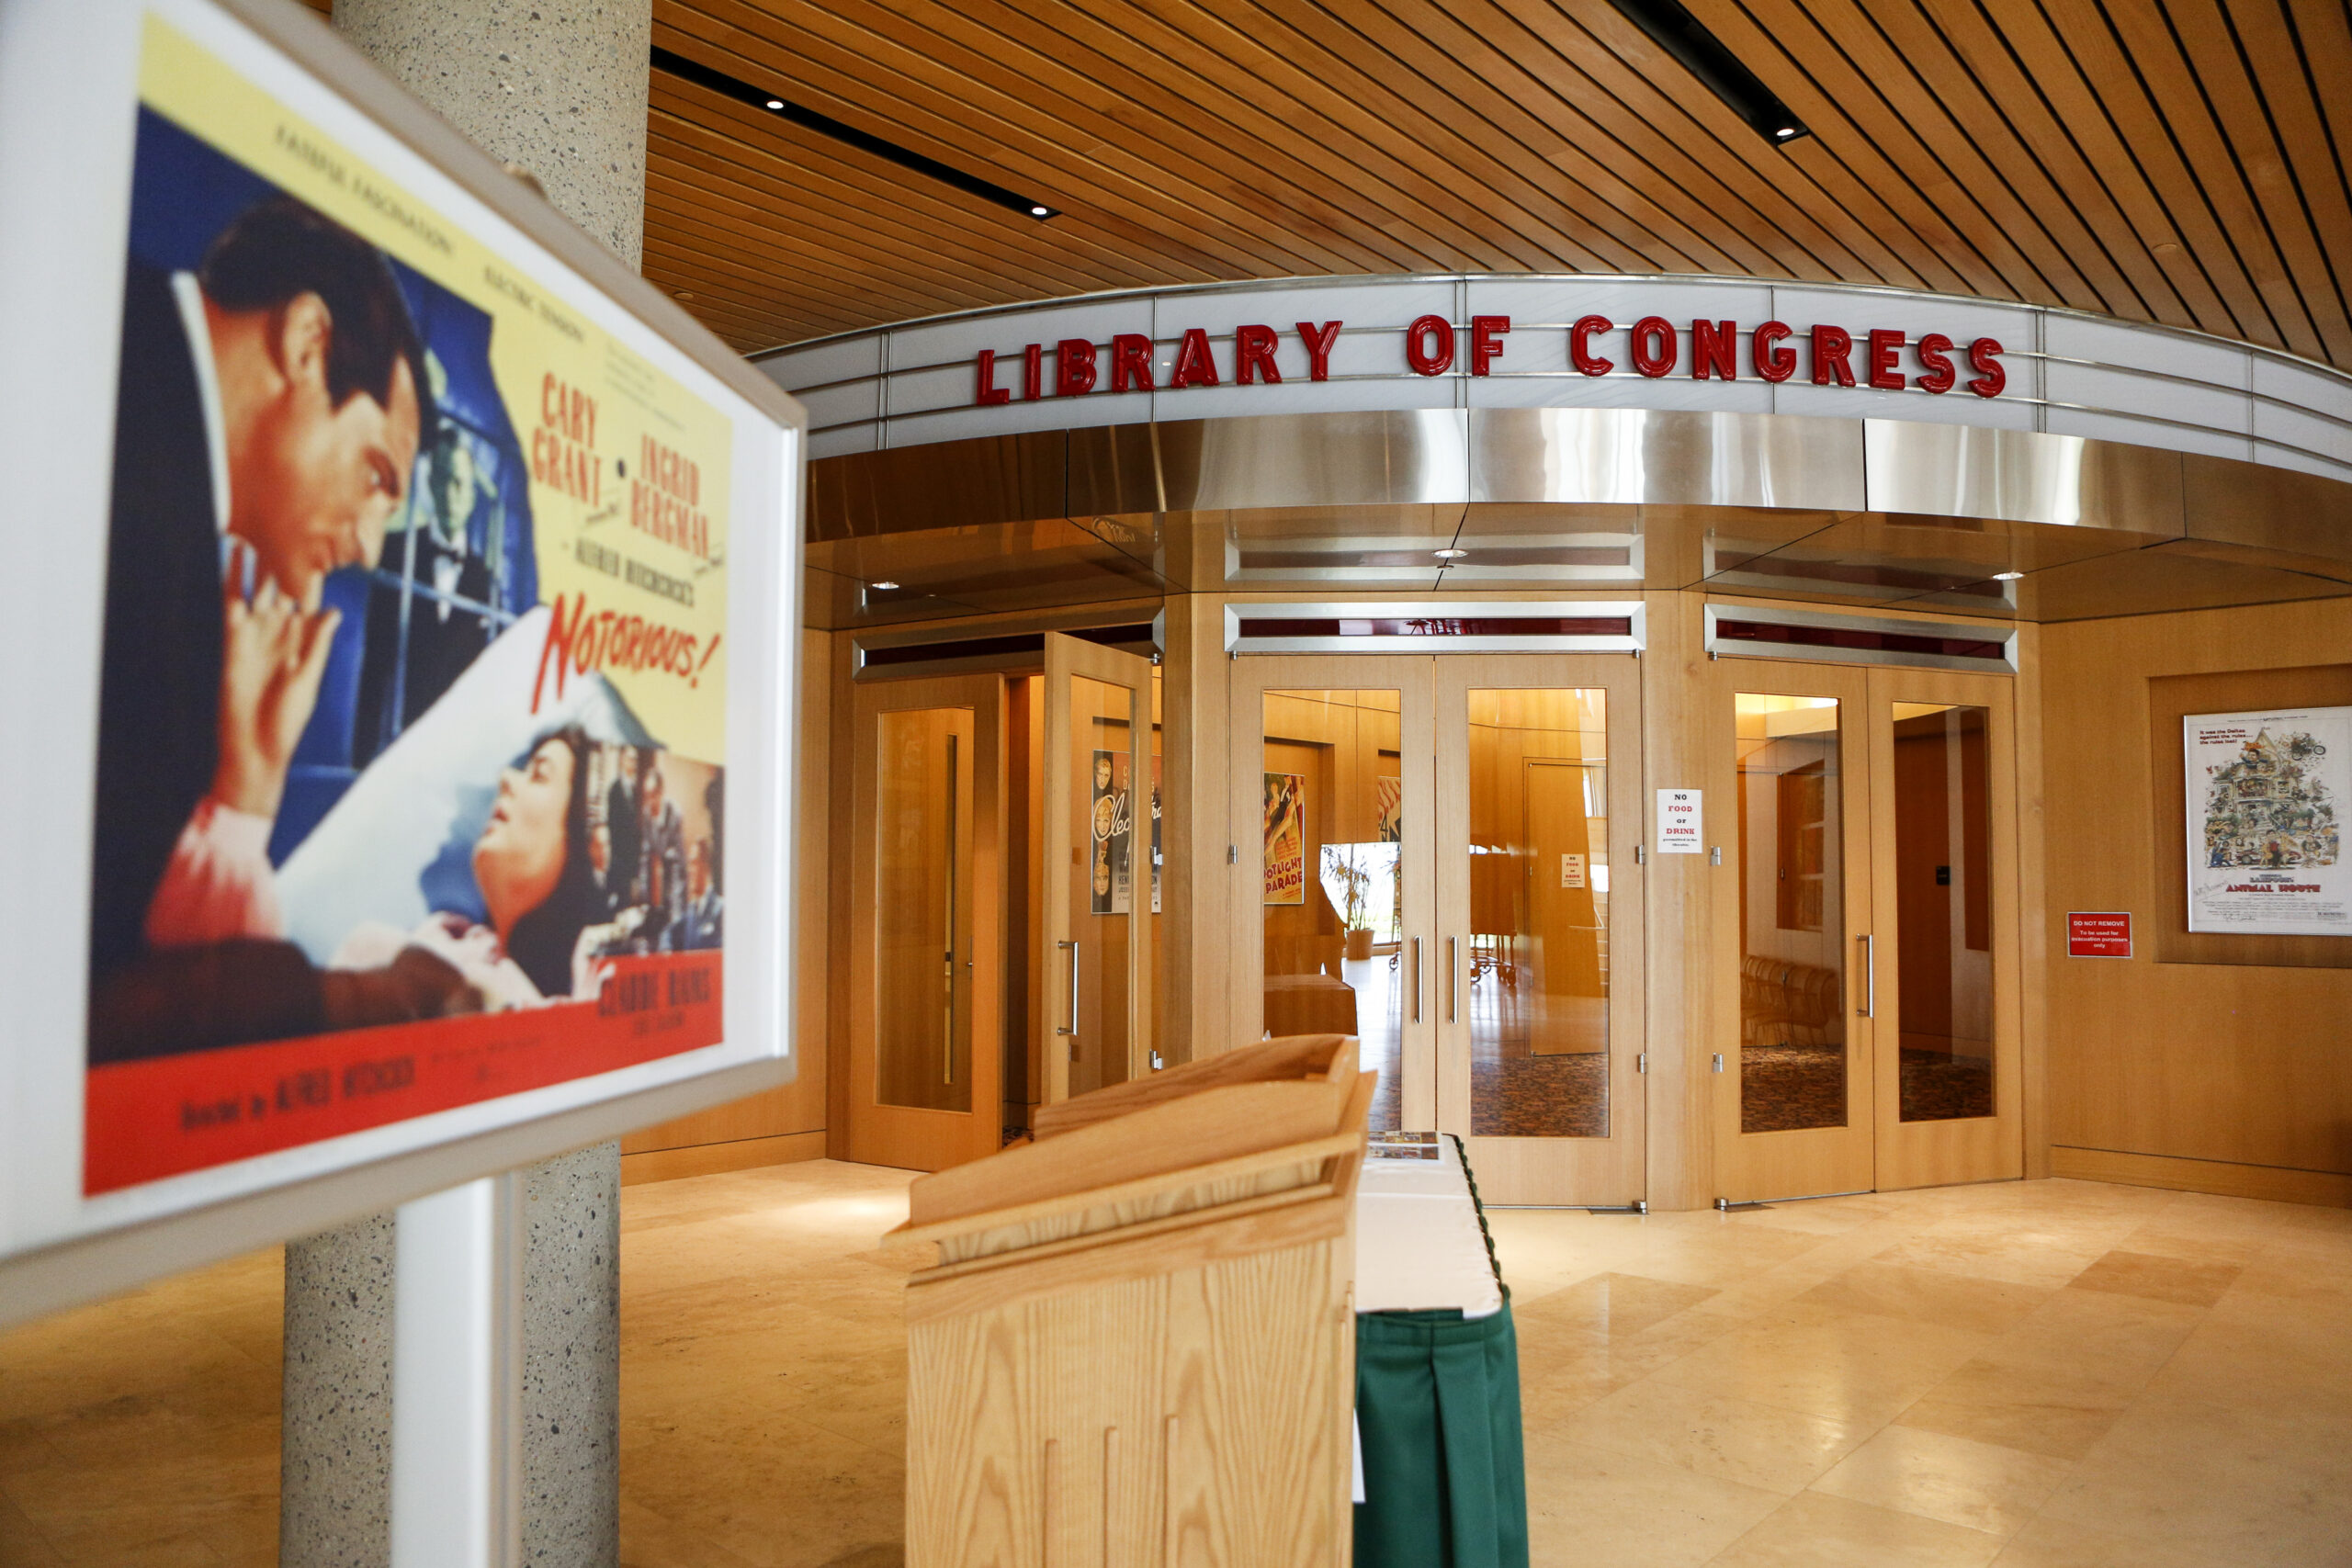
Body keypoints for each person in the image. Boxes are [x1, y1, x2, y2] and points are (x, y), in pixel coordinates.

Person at [88, 193, 427, 997]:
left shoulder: (131, 365)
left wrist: (245, 789)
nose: (370, 546)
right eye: (378, 475)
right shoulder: (114, 404)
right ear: (309, 343)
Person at [333, 727, 609, 1006]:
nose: (506, 777)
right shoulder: (439, 937)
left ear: (587, 844)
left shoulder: (590, 992)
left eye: (539, 775)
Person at [677, 840, 723, 951]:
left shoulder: (721, 909)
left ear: (706, 867)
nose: (689, 871)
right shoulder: (690, 911)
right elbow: (668, 932)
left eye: (693, 863)